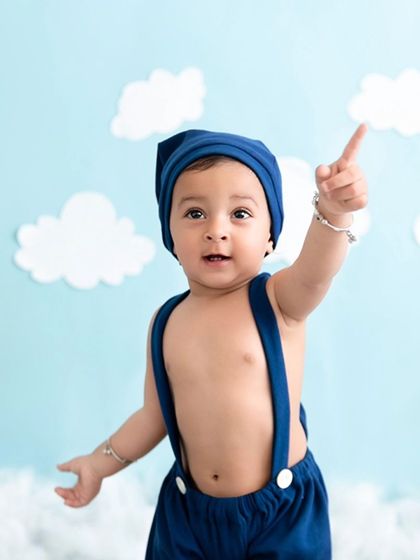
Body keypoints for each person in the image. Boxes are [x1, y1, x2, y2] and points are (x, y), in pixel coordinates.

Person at [55, 125, 368, 559]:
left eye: (240, 214)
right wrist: (99, 463)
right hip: (189, 513)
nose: (216, 230)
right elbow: (154, 415)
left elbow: (318, 269)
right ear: (170, 235)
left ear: (270, 236)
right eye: (195, 213)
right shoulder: (166, 322)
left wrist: (333, 212)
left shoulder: (279, 300)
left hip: (279, 512)